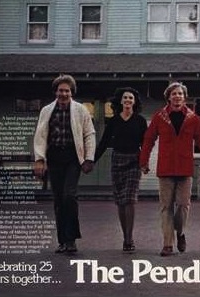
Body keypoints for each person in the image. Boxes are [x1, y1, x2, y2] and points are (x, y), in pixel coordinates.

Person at [139, 81, 200, 256]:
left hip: (184, 167)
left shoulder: (193, 118)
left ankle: (180, 232)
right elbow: (148, 140)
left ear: (184, 97)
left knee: (183, 205)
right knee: (166, 206)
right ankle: (167, 243)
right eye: (174, 93)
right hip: (165, 168)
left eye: (180, 94)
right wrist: (143, 162)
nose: (177, 96)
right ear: (168, 97)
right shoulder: (159, 117)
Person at [33, 74, 95, 254]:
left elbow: (89, 134)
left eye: (67, 90)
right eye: (61, 90)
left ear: (72, 92)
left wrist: (89, 158)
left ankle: (71, 239)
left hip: (73, 158)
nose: (64, 93)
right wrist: (39, 159)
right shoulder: (47, 110)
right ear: (55, 91)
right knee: (59, 200)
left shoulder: (81, 110)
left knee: (69, 196)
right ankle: (62, 241)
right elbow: (41, 135)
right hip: (54, 158)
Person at [95, 87, 147, 253]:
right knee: (120, 201)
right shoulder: (114, 121)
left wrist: (144, 163)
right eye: (125, 98)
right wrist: (91, 161)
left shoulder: (140, 121)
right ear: (120, 101)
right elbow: (103, 142)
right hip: (117, 160)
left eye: (131, 98)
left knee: (130, 199)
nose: (128, 100)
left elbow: (146, 144)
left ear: (134, 101)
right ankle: (125, 235)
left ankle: (128, 239)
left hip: (134, 161)